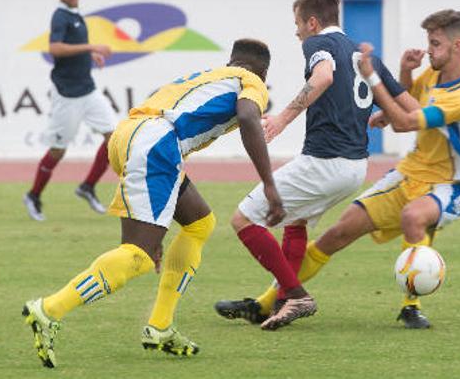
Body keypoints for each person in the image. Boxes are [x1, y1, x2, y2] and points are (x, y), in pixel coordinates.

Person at [22, 39, 284, 368]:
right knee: (139, 256)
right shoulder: (252, 80)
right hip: (157, 144)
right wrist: (269, 184)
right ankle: (48, 310)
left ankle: (160, 326)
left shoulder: (210, 74)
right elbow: (248, 117)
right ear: (260, 71)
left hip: (130, 136)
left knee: (199, 222)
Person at [236, 9, 460, 330]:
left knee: (413, 217)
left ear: (458, 45)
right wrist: (405, 73)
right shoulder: (434, 77)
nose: (429, 50)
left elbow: (408, 121)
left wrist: (373, 76)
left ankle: (411, 306)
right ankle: (267, 303)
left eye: (435, 43)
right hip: (408, 175)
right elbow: (408, 106)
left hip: (452, 183)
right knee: (335, 235)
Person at [214, 0, 414, 331]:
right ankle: (279, 302)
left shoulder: (318, 44)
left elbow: (323, 77)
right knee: (297, 222)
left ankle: (295, 294)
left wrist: (281, 119)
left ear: (312, 21)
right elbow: (413, 110)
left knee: (243, 220)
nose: (297, 33)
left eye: (297, 25)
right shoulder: (367, 59)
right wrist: (385, 114)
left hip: (326, 162)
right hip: (355, 168)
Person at [23, 0, 118, 221]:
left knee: (115, 137)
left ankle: (87, 187)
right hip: (67, 95)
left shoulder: (76, 16)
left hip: (88, 89)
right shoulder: (60, 17)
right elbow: (54, 48)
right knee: (58, 150)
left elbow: (73, 49)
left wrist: (89, 55)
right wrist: (91, 46)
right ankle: (33, 195)